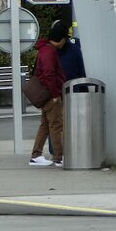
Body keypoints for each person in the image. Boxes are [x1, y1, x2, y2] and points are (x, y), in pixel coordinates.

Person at [30, 20, 68, 167]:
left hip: (46, 94)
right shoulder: (49, 52)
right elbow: (49, 74)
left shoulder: (44, 50)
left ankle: (36, 155)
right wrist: (54, 95)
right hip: (50, 95)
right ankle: (59, 157)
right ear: (61, 39)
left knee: (45, 125)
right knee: (56, 125)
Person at [46, 28, 86, 158]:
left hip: (63, 91)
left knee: (55, 124)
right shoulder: (73, 50)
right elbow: (81, 70)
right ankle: (60, 152)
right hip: (62, 92)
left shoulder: (50, 51)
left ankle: (58, 152)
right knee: (60, 124)